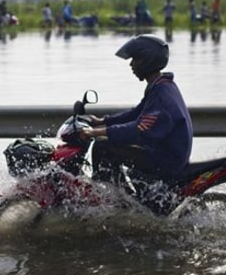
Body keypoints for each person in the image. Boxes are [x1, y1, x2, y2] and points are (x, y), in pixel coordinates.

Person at [79, 34, 193, 187]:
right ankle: (119, 194)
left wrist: (97, 132)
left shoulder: (161, 94)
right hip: (165, 152)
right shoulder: (160, 85)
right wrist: (102, 121)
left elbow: (138, 129)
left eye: (135, 59)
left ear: (147, 60)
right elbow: (136, 113)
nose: (131, 64)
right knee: (111, 144)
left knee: (103, 146)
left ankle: (105, 197)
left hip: (167, 160)